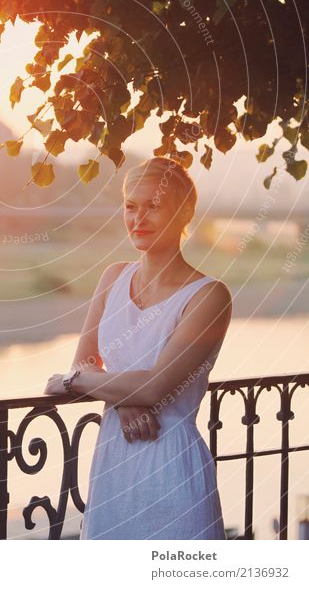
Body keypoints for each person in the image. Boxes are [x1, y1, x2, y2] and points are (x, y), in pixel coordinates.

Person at [44, 156, 232, 539]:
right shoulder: (113, 276)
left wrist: (74, 381)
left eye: (154, 207)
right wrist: (124, 398)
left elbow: (155, 386)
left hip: (171, 467)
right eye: (131, 206)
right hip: (113, 464)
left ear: (184, 214)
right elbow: (85, 361)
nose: (138, 218)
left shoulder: (209, 296)